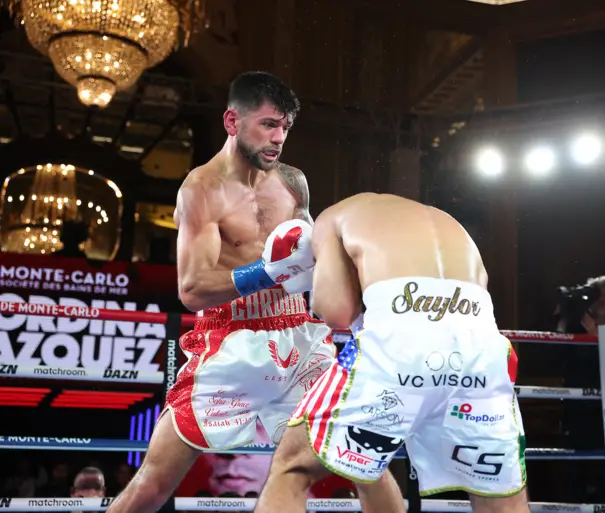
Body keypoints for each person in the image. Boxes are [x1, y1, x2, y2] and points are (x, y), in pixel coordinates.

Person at [107, 71, 340, 513]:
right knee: (152, 486)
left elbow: (314, 258)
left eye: (286, 126)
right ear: (233, 122)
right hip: (231, 342)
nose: (279, 137)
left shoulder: (293, 182)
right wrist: (270, 272)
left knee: (355, 455)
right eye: (268, 124)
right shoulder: (202, 189)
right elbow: (192, 289)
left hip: (298, 336)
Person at [255, 193, 530, 513]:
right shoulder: (444, 221)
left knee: (294, 467)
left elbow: (337, 313)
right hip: (482, 351)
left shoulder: (329, 220)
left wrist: (316, 289)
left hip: (401, 343)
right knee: (499, 496)